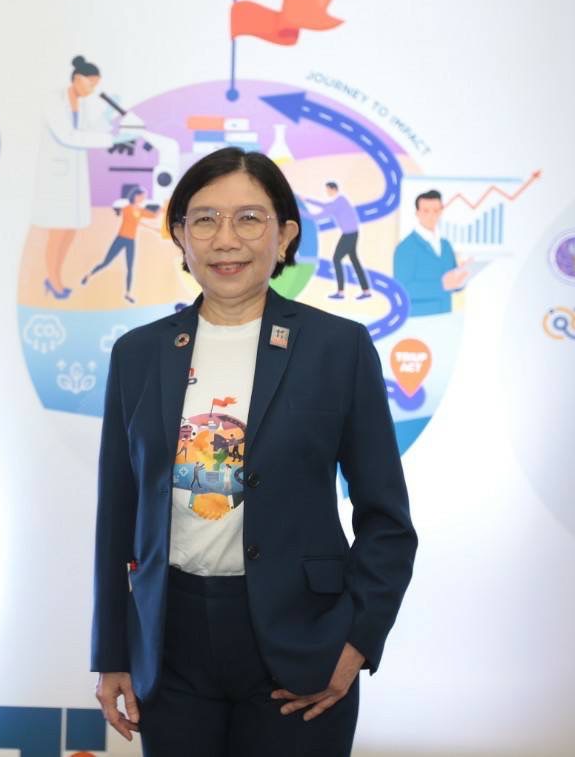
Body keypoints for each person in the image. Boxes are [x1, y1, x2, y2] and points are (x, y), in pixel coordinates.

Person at [92, 148, 416, 757]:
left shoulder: (338, 348)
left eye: (248, 218)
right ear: (180, 236)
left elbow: (387, 520)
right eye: (205, 220)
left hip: (302, 641)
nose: (226, 239)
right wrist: (112, 652)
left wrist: (356, 642)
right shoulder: (138, 354)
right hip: (171, 644)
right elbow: (118, 513)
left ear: (285, 234)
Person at [32, 55, 128, 299]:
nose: (93, 90)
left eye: (96, 85)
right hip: (56, 176)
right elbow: (68, 136)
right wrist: (111, 139)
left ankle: (55, 276)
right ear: (77, 78)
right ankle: (53, 279)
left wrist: (107, 117)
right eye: (91, 83)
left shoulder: (81, 103)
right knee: (58, 230)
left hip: (74, 174)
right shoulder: (54, 101)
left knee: (71, 228)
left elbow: (87, 131)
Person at [393, 189, 471, 316]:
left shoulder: (446, 246)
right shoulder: (406, 247)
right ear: (417, 213)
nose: (431, 215)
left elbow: (453, 285)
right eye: (426, 211)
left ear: (441, 211)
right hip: (419, 319)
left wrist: (462, 276)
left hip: (445, 316)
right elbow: (403, 289)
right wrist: (442, 285)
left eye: (436, 210)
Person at [81, 184, 160, 303]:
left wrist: (163, 207)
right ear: (136, 196)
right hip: (121, 239)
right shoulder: (127, 208)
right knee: (106, 262)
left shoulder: (140, 210)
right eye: (143, 196)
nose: (144, 198)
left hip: (131, 241)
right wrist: (152, 228)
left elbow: (153, 216)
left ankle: (128, 293)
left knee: (130, 267)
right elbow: (135, 221)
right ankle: (89, 275)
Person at [302, 181, 371, 300]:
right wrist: (307, 200)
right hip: (352, 233)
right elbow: (325, 205)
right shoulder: (340, 200)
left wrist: (300, 212)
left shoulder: (338, 202)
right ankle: (366, 290)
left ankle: (341, 292)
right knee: (354, 261)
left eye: (328, 190)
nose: (327, 192)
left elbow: (317, 216)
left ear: (333, 189)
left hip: (349, 235)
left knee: (336, 259)